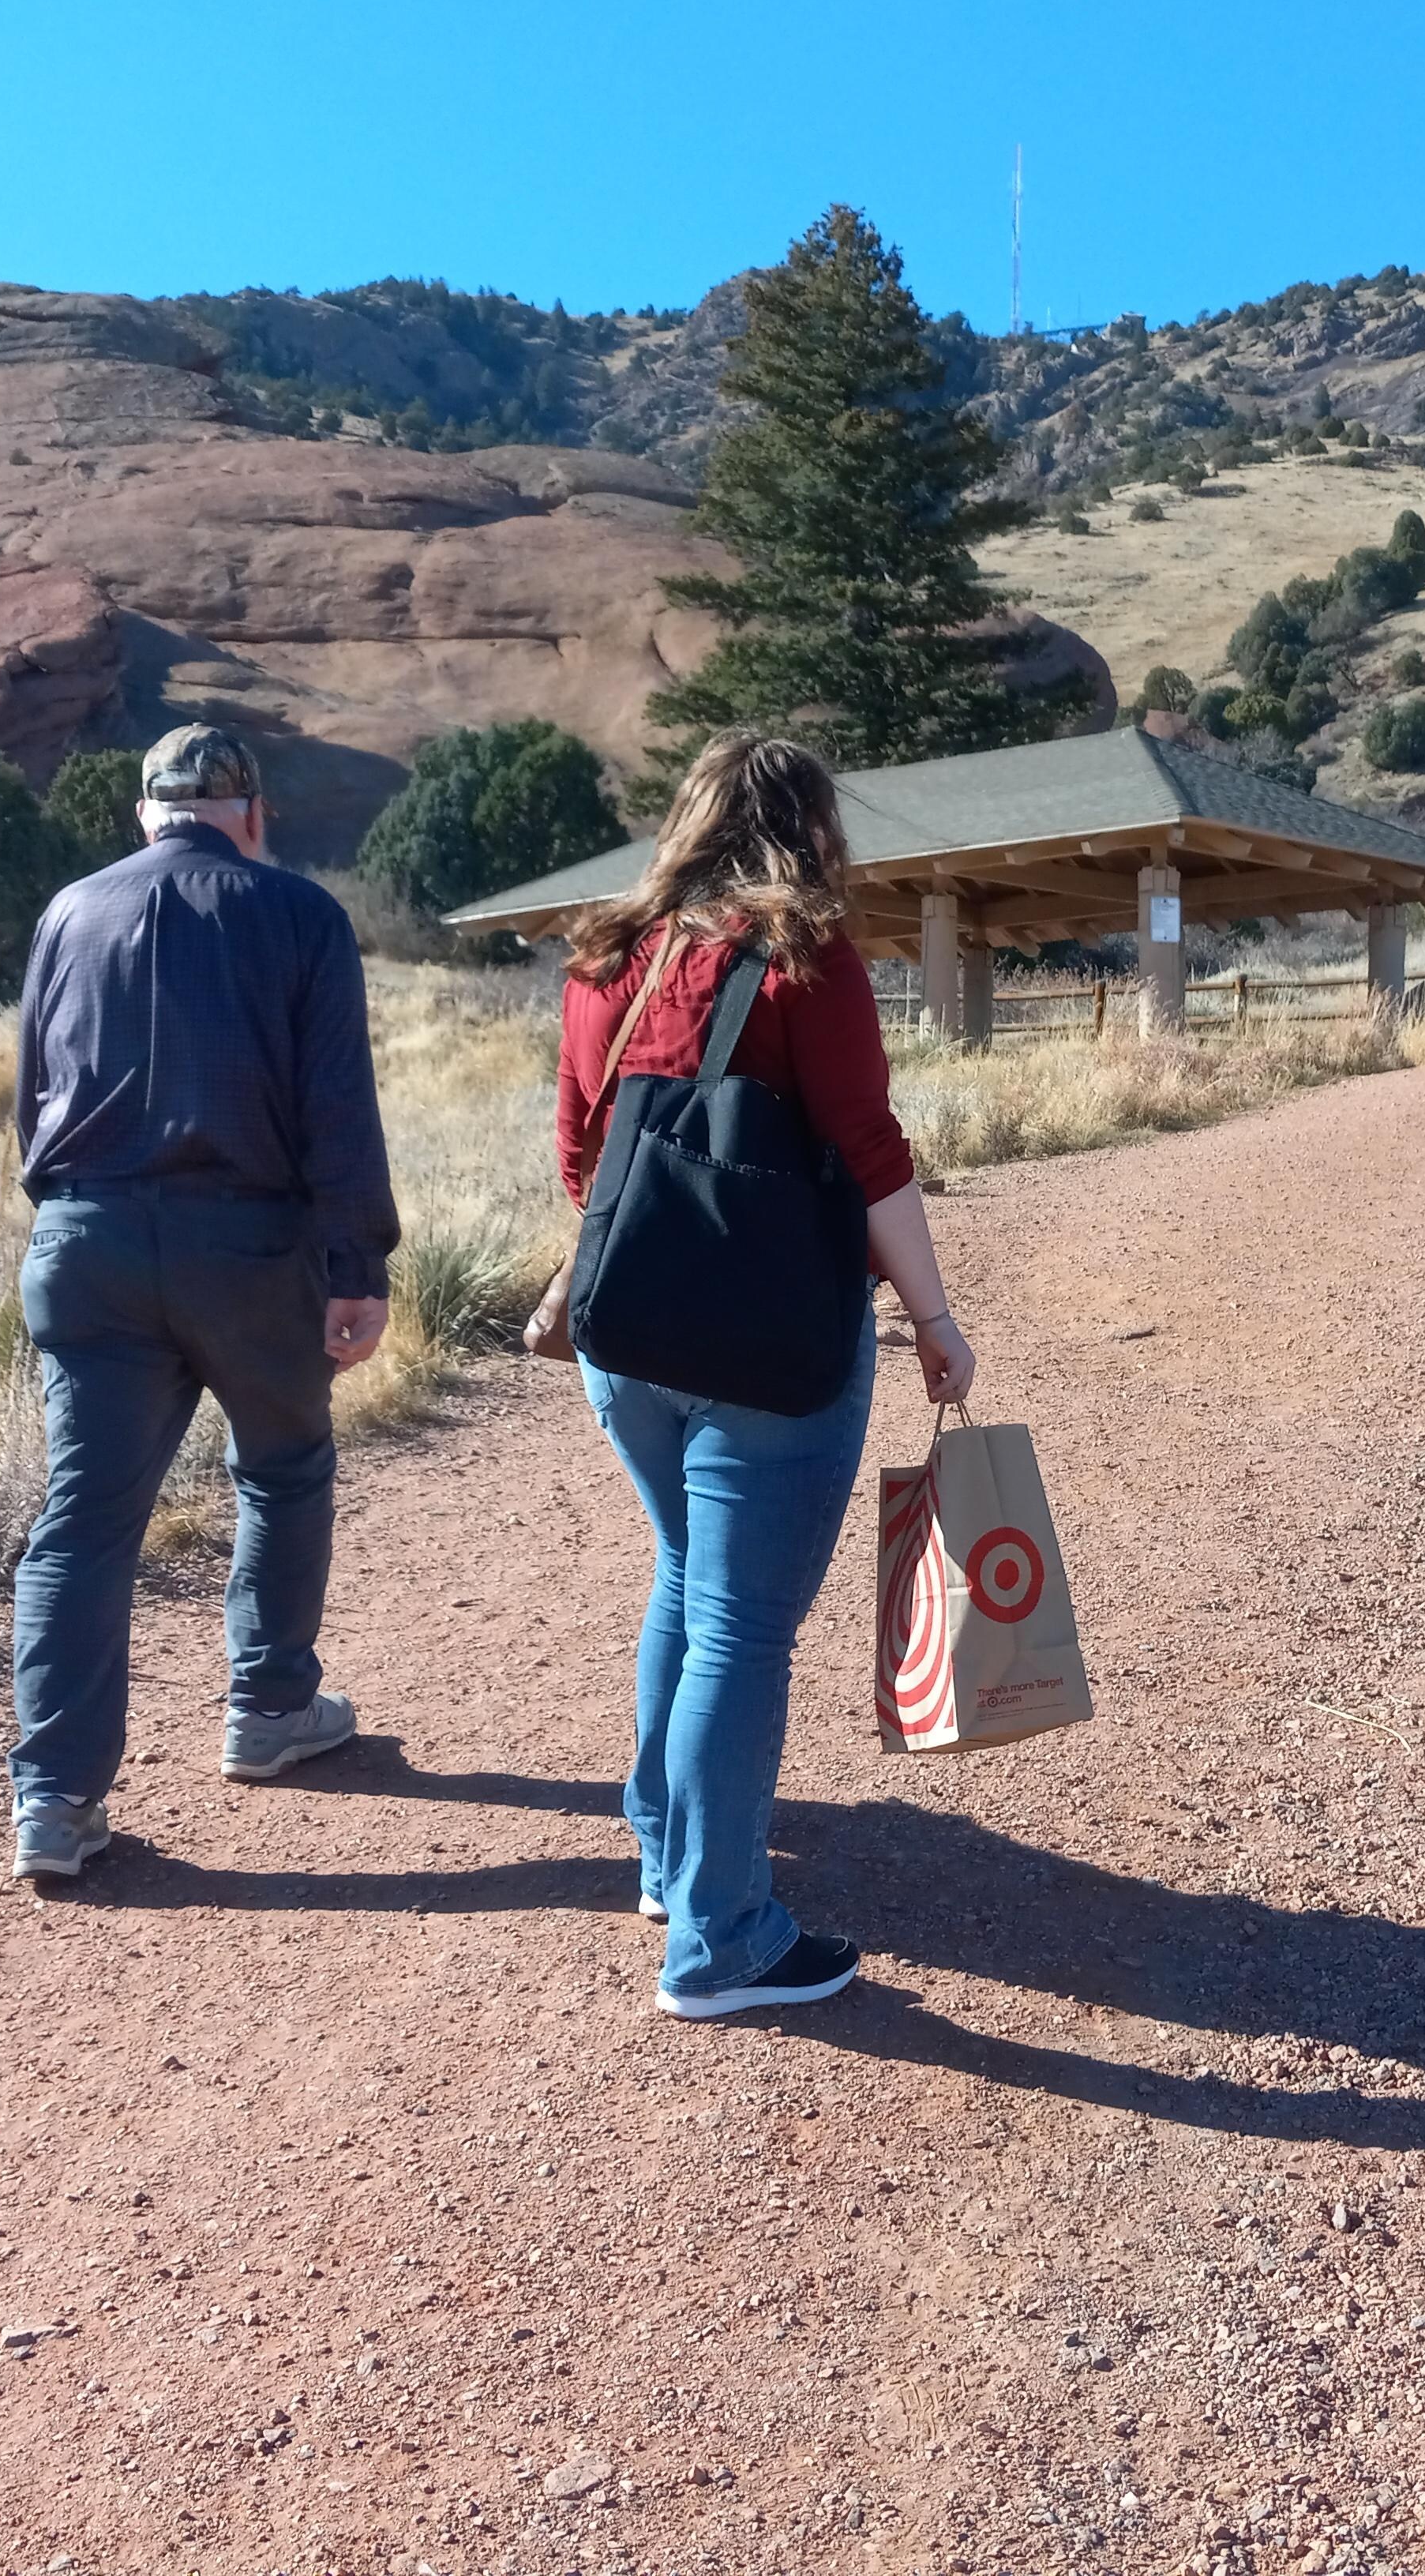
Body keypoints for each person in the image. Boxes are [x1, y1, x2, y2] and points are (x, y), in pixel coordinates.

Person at [553, 730, 977, 2021]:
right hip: (773, 1349)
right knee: (740, 1622)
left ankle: (664, 1858)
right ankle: (722, 1935)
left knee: (687, 1580)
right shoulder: (808, 962)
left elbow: (582, 1157)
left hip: (623, 1340)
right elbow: (866, 1153)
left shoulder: (605, 959)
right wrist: (933, 1316)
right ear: (809, 830)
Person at [2, 723, 399, 1883]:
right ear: (252, 813)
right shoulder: (300, 915)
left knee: (84, 1521)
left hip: (86, 1238)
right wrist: (357, 1264)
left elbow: (31, 1093)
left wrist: (80, 1212)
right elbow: (338, 1105)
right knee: (282, 1464)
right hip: (247, 1240)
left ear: (145, 814)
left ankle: (54, 1804)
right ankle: (271, 1710)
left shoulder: (69, 913)